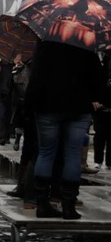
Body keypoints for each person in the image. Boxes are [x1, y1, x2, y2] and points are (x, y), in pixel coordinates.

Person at [24, 41, 102, 219]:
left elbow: (35, 78)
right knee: (73, 154)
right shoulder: (86, 43)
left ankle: (42, 204)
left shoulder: (45, 44)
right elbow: (97, 76)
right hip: (78, 105)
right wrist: (95, 97)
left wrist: (29, 107)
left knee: (46, 153)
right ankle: (69, 206)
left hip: (47, 106)